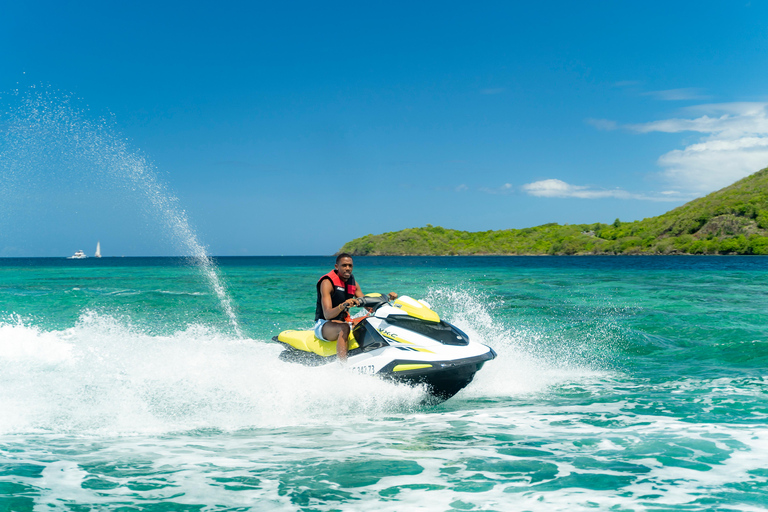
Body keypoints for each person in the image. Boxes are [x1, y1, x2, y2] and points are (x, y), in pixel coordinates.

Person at [315, 253, 397, 361]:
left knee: (371, 321)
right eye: (344, 265)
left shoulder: (353, 283)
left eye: (350, 266)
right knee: (343, 328)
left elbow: (368, 307)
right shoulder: (327, 282)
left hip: (344, 321)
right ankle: (342, 366)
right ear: (336, 267)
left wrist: (388, 299)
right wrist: (343, 305)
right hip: (324, 325)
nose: (347, 268)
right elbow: (327, 314)